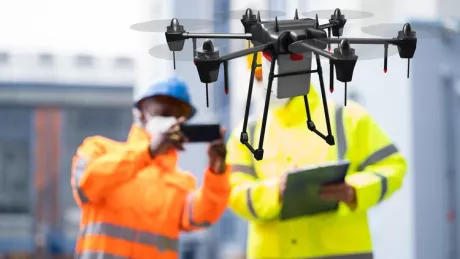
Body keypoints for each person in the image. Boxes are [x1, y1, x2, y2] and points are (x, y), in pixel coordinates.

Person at [227, 77, 407, 257]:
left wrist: (355, 190)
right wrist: (275, 192)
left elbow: (393, 165)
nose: (263, 82)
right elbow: (232, 191)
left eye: (266, 73)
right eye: (257, 76)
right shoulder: (246, 133)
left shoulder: (348, 117)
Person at [71, 76, 230, 259]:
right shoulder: (99, 150)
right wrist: (149, 152)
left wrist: (217, 173)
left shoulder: (181, 182)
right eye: (162, 111)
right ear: (140, 113)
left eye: (177, 113)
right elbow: (86, 185)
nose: (170, 118)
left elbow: (201, 218)